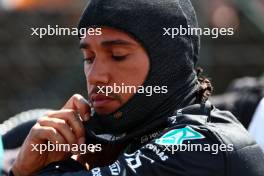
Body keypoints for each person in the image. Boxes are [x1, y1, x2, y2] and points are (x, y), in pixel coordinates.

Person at [10, 0, 264, 175]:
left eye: (118, 55)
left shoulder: (205, 145)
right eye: (89, 58)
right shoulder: (108, 142)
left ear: (167, 61)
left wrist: (24, 170)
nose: (96, 76)